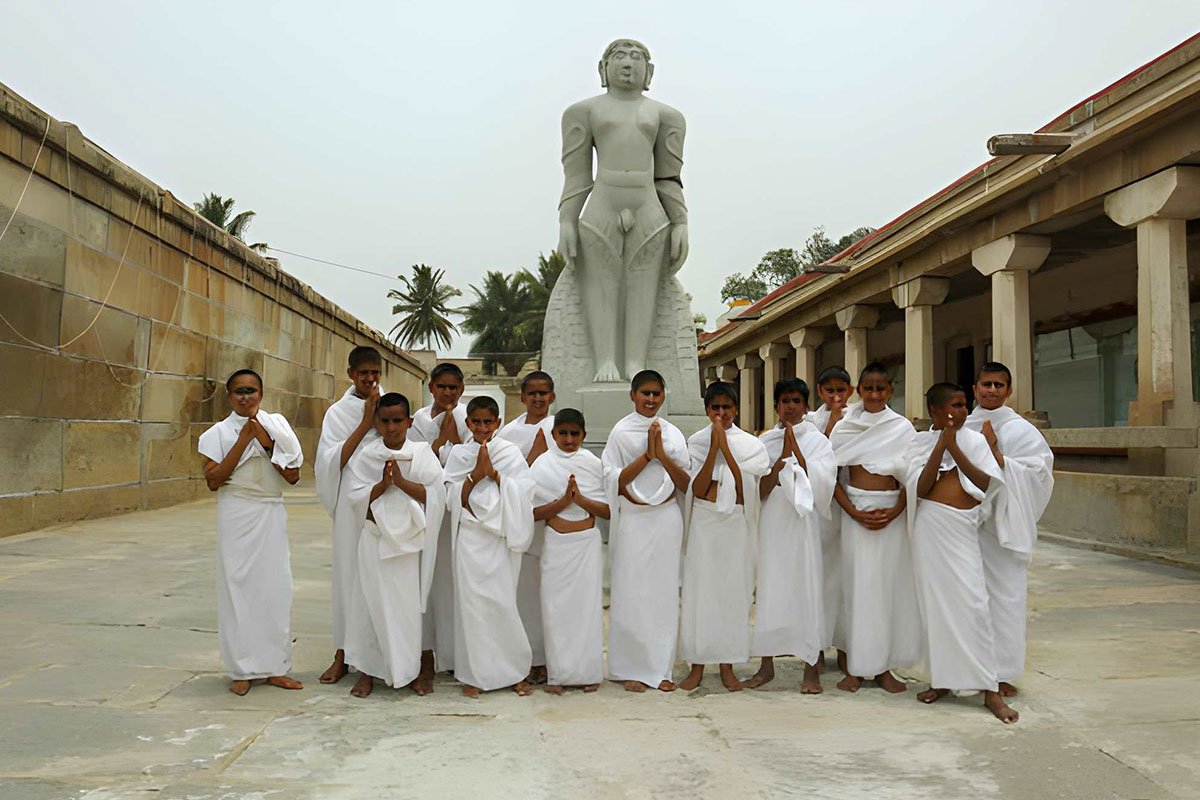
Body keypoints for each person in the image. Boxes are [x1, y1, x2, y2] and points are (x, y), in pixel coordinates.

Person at [906, 382, 1017, 723]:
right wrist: (941, 446)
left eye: (963, 406)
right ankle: (943, 681)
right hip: (930, 529)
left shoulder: (975, 442)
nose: (960, 412)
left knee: (974, 607)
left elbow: (987, 484)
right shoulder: (919, 443)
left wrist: (957, 449)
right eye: (953, 406)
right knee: (936, 610)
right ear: (935, 412)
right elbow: (920, 489)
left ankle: (989, 690)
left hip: (962, 528)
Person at [198, 369, 304, 696]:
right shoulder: (216, 433)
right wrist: (243, 440)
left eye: (252, 391)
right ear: (230, 396)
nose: (246, 397)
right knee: (238, 588)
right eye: (239, 391)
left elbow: (293, 475)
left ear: (261, 393)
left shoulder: (278, 425)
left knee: (275, 588)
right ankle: (241, 669)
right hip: (237, 511)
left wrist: (265, 440)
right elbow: (214, 480)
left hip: (270, 510)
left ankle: (276, 667)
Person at [342, 393, 446, 698]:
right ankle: (368, 671)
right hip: (375, 538)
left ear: (409, 422)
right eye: (385, 421)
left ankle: (409, 669)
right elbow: (354, 498)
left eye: (397, 420)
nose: (391, 427)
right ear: (377, 422)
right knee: (368, 604)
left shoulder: (421, 452)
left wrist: (400, 483)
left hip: (407, 543)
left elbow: (436, 495)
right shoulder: (367, 455)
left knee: (405, 608)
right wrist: (381, 486)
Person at [829, 362, 921, 694]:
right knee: (856, 588)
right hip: (855, 514)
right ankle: (856, 667)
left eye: (880, 388)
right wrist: (852, 511)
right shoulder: (845, 427)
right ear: (858, 390)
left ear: (890, 391)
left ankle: (883, 668)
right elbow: (831, 478)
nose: (874, 394)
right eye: (868, 388)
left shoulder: (902, 428)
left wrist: (896, 510)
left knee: (886, 590)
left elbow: (913, 477)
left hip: (890, 515)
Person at [964, 362, 1054, 697]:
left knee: (1005, 600)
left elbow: (1039, 474)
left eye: (998, 385)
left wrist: (998, 454)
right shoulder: (960, 423)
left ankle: (1002, 673)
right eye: (985, 384)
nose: (991, 390)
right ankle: (967, 670)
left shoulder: (1021, 431)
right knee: (968, 599)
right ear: (975, 388)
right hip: (966, 527)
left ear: (1009, 391)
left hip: (1003, 527)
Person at [601, 369, 691, 692]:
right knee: (631, 592)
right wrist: (646, 456)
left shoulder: (674, 434)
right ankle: (632, 669)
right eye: (645, 393)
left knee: (664, 594)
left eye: (656, 393)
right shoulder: (620, 433)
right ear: (633, 395)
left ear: (663, 395)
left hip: (666, 519)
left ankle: (661, 669)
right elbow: (615, 481)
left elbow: (685, 483)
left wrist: (662, 455)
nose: (651, 399)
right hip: (634, 520)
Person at [678, 382, 770, 691]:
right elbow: (698, 488)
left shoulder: (751, 445)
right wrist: (714, 448)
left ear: (735, 409)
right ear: (707, 409)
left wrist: (725, 447)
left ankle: (728, 665)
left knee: (732, 594)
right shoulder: (696, 442)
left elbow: (745, 489)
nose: (720, 413)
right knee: (700, 593)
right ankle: (698, 665)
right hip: (705, 521)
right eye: (714, 408)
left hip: (735, 525)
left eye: (726, 408)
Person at [747, 378, 838, 693]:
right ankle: (766, 665)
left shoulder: (817, 441)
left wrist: (795, 451)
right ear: (776, 405)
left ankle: (811, 668)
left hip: (803, 526)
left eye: (796, 401)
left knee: (806, 589)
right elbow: (759, 489)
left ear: (806, 406)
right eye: (784, 401)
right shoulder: (765, 442)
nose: (790, 407)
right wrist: (780, 456)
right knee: (771, 590)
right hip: (773, 524)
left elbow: (824, 484)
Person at [444, 396, 537, 697]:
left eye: (488, 422)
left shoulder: (508, 452)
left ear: (497, 423)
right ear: (468, 423)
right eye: (477, 422)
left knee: (503, 604)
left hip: (501, 536)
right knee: (473, 607)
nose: (482, 428)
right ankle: (476, 675)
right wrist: (474, 475)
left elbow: (525, 491)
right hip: (471, 536)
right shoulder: (459, 454)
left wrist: (495, 475)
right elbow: (449, 497)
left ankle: (515, 671)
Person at [314, 346, 383, 685]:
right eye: (363, 373)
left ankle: (379, 654)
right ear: (351, 374)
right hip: (349, 503)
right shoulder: (338, 413)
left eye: (375, 373)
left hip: (385, 498)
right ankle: (342, 653)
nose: (370, 379)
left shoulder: (391, 403)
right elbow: (331, 461)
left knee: (380, 576)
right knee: (348, 575)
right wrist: (366, 422)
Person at [528, 409, 609, 694]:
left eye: (575, 434)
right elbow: (532, 512)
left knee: (585, 610)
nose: (569, 439)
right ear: (554, 435)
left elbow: (608, 510)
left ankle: (588, 673)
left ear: (584, 436)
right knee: (556, 610)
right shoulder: (542, 464)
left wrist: (581, 499)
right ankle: (558, 676)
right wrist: (564, 501)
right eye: (563, 433)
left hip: (585, 546)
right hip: (556, 545)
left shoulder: (592, 464)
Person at [407, 362, 471, 683]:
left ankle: (455, 653)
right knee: (426, 581)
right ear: (431, 387)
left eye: (454, 388)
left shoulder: (468, 420)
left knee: (453, 581)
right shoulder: (417, 421)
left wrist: (454, 434)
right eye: (442, 387)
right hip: (425, 506)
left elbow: (469, 458)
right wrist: (440, 438)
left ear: (462, 390)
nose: (448, 393)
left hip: (455, 511)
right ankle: (425, 653)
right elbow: (418, 461)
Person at [498, 370, 558, 684]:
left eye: (543, 393)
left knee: (551, 593)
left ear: (553, 396)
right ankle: (527, 657)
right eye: (532, 393)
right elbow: (502, 477)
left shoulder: (560, 428)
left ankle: (551, 658)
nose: (537, 398)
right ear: (522, 397)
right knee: (524, 594)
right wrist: (531, 459)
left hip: (557, 524)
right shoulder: (507, 435)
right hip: (521, 522)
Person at [806, 366, 854, 674]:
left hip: (849, 508)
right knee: (820, 580)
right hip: (820, 510)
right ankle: (817, 646)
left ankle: (846, 646)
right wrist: (831, 426)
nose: (835, 396)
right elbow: (815, 462)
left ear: (850, 391)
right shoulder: (810, 422)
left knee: (847, 581)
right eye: (829, 391)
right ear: (820, 392)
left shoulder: (860, 419)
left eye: (841, 390)